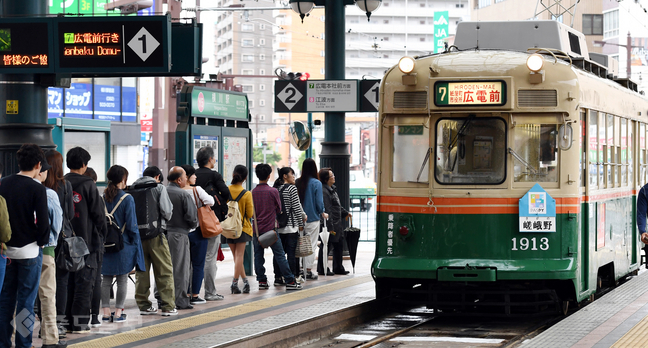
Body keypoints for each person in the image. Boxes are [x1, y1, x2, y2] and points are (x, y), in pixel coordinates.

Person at [0, 144, 50, 348]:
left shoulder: (3, 183)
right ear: (38, 165)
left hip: (5, 253)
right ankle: (23, 344)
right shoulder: (37, 189)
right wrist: (41, 241)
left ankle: (3, 342)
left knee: (5, 301)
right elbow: (44, 223)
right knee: (26, 303)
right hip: (29, 252)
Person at [63, 147, 107, 333]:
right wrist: (102, 235)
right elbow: (98, 215)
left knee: (66, 284)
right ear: (83, 164)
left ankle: (65, 322)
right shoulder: (88, 184)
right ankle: (80, 324)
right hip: (87, 243)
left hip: (65, 243)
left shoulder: (61, 182)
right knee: (84, 284)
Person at [101, 165, 145, 323]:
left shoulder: (102, 198)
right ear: (123, 179)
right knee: (122, 279)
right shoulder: (127, 198)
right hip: (123, 244)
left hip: (106, 244)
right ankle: (118, 313)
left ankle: (105, 312)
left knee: (105, 279)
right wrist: (135, 243)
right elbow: (132, 225)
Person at [132, 166, 177, 316]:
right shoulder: (158, 187)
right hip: (156, 234)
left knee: (142, 272)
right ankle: (168, 306)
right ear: (157, 176)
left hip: (138, 236)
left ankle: (144, 305)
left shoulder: (133, 187)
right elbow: (167, 211)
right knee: (164, 270)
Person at [252, 164, 302, 291]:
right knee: (280, 255)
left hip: (257, 231)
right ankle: (290, 281)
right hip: (271, 229)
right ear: (269, 176)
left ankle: (262, 280)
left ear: (257, 175)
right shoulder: (273, 191)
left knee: (258, 256)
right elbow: (279, 209)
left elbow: (251, 212)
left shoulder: (253, 192)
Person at [35, 164, 66, 348]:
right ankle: (50, 339)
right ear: (40, 170)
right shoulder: (48, 194)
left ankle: (18, 338)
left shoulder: (9, 187)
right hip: (46, 249)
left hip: (17, 251)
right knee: (47, 296)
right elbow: (57, 223)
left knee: (20, 297)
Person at [44, 150, 74, 337]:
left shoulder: (39, 185)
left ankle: (44, 324)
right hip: (61, 240)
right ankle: (59, 323)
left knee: (43, 284)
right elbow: (69, 214)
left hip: (41, 241)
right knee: (61, 283)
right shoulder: (65, 185)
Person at [194, 147, 229, 301]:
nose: (214, 160)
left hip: (194, 221)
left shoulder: (192, 175)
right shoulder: (214, 175)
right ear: (209, 159)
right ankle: (210, 292)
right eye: (214, 158)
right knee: (209, 257)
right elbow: (226, 193)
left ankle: (192, 292)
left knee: (194, 258)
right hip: (210, 221)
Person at [180, 164, 214, 305]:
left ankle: (184, 293)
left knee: (183, 265)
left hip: (181, 232)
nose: (196, 176)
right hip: (198, 232)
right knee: (198, 264)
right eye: (193, 174)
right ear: (186, 177)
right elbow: (210, 201)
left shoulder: (175, 191)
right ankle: (195, 294)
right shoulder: (196, 190)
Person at [166, 166, 198, 309]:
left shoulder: (161, 191)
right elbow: (192, 217)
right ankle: (180, 300)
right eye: (185, 176)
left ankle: (162, 298)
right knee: (180, 268)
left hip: (162, 234)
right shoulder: (183, 194)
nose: (186, 178)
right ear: (179, 180)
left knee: (164, 268)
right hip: (179, 234)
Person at [272, 167, 306, 284]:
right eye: (292, 174)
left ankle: (277, 277)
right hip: (291, 227)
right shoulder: (291, 188)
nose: (294, 176)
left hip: (278, 227)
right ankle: (291, 278)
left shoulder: (275, 188)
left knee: (279, 254)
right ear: (285, 176)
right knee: (291, 254)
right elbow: (296, 207)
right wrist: (301, 224)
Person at [296, 158, 327, 280]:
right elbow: (319, 203)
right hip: (313, 219)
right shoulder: (316, 183)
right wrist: (322, 212)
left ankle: (298, 270)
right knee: (311, 245)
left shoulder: (298, 182)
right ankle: (308, 271)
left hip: (299, 220)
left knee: (299, 244)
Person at [225, 165, 254, 294]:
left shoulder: (226, 190)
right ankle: (234, 284)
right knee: (239, 256)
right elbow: (250, 214)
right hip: (242, 229)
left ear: (233, 174)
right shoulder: (247, 194)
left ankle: (246, 282)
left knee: (237, 257)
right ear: (246, 178)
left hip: (229, 228)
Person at [317, 168, 352, 276]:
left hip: (336, 224)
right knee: (327, 245)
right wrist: (330, 227)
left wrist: (345, 213)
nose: (334, 177)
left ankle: (338, 267)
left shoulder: (331, 189)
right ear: (326, 178)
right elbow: (327, 209)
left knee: (339, 245)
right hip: (330, 225)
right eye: (332, 176)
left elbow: (336, 206)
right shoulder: (324, 191)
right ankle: (322, 268)